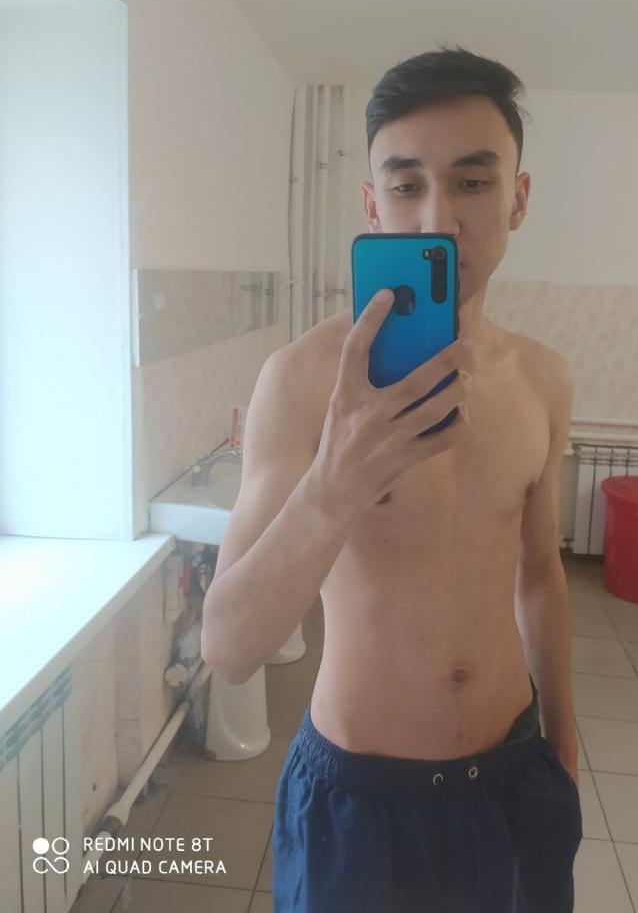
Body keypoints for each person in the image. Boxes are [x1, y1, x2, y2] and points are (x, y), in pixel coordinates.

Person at [201, 44, 582, 912]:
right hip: (357, 799)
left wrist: (563, 743)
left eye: (473, 181)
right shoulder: (302, 381)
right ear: (373, 205)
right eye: (406, 185)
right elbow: (229, 649)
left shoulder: (543, 381)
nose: (437, 217)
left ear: (519, 198)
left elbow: (540, 575)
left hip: (513, 776)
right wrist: (335, 485)